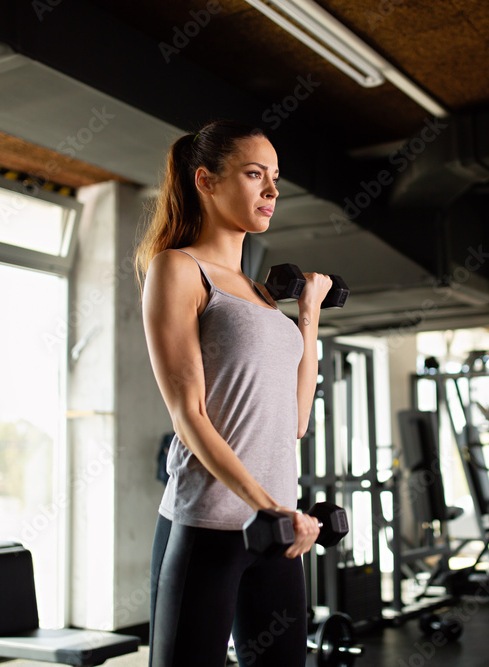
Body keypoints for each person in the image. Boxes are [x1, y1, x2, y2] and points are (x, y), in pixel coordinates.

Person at [133, 119, 332, 667]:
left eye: (275, 178)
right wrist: (269, 507)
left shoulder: (262, 294)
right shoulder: (178, 269)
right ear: (206, 181)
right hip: (209, 526)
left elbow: (296, 420)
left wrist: (309, 316)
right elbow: (189, 415)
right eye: (253, 174)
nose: (271, 190)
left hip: (276, 532)